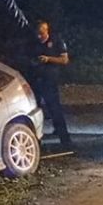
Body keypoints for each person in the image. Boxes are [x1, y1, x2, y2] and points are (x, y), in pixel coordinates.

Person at [30, 20, 72, 148]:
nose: (39, 36)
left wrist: (48, 59)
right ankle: (35, 141)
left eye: (41, 34)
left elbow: (65, 59)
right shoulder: (33, 44)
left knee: (54, 108)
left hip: (50, 80)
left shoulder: (56, 41)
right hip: (36, 80)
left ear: (46, 31)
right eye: (37, 34)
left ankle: (64, 139)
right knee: (34, 110)